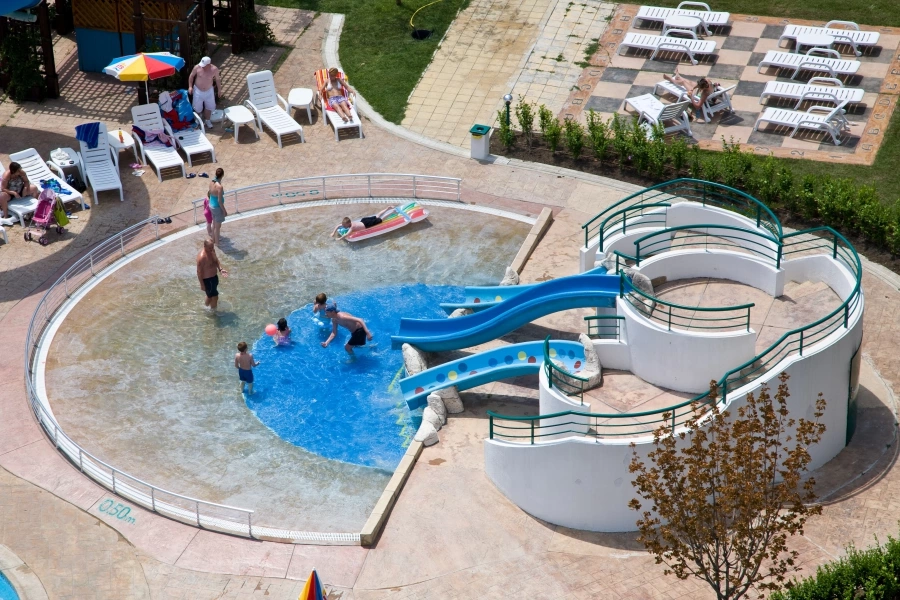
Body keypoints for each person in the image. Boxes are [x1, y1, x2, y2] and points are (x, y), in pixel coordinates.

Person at [0, 162, 39, 226]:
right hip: (10, 193)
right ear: (13, 171)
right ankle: (6, 216)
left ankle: (31, 213)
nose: (20, 171)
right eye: (18, 170)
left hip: (21, 189)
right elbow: (3, 188)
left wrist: (25, 188)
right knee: (2, 196)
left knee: (34, 188)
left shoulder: (22, 173)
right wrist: (13, 193)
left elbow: (26, 181)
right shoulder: (6, 175)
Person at [188, 56, 222, 129]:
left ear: (208, 64)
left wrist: (219, 89)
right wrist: (190, 86)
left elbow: (217, 79)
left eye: (204, 65)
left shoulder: (214, 69)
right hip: (198, 90)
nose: (202, 66)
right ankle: (198, 119)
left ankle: (207, 120)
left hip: (209, 90)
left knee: (209, 106)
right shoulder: (197, 67)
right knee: (197, 107)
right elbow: (191, 76)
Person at [196, 238, 227, 311]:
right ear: (204, 246)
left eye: (212, 247)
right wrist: (202, 285)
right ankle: (213, 312)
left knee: (210, 296)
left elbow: (216, 260)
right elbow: (199, 272)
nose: (211, 249)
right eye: (209, 248)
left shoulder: (212, 250)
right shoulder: (202, 258)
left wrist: (220, 269)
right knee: (215, 296)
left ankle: (206, 307)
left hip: (214, 278)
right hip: (208, 280)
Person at [331, 207, 395, 239]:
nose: (343, 226)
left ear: (348, 224)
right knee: (377, 216)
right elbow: (338, 226)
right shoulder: (349, 223)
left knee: (381, 219)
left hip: (366, 224)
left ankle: (392, 212)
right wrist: (333, 232)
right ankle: (388, 208)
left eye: (344, 225)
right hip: (363, 220)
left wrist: (340, 238)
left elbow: (347, 234)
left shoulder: (352, 227)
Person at [207, 168, 226, 246]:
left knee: (214, 224)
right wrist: (224, 211)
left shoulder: (211, 182)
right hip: (217, 207)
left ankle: (214, 239)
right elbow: (219, 201)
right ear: (222, 175)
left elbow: (209, 193)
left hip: (211, 205)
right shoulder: (219, 187)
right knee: (217, 227)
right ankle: (217, 243)